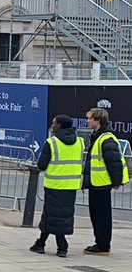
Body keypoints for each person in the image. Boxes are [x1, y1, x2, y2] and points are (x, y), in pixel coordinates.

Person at [30, 115, 84, 258]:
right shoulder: (80, 142)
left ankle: (51, 245)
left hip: (54, 185)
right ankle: (53, 245)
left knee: (51, 215)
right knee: (62, 216)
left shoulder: (52, 142)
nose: (52, 126)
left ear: (59, 125)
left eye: (54, 123)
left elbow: (42, 164)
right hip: (71, 185)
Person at [82, 106, 129, 256]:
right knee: (96, 215)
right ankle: (100, 242)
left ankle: (103, 245)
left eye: (90, 118)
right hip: (96, 183)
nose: (88, 121)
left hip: (101, 183)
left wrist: (117, 181)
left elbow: (114, 162)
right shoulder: (98, 136)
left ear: (98, 120)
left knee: (102, 216)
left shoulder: (106, 138)